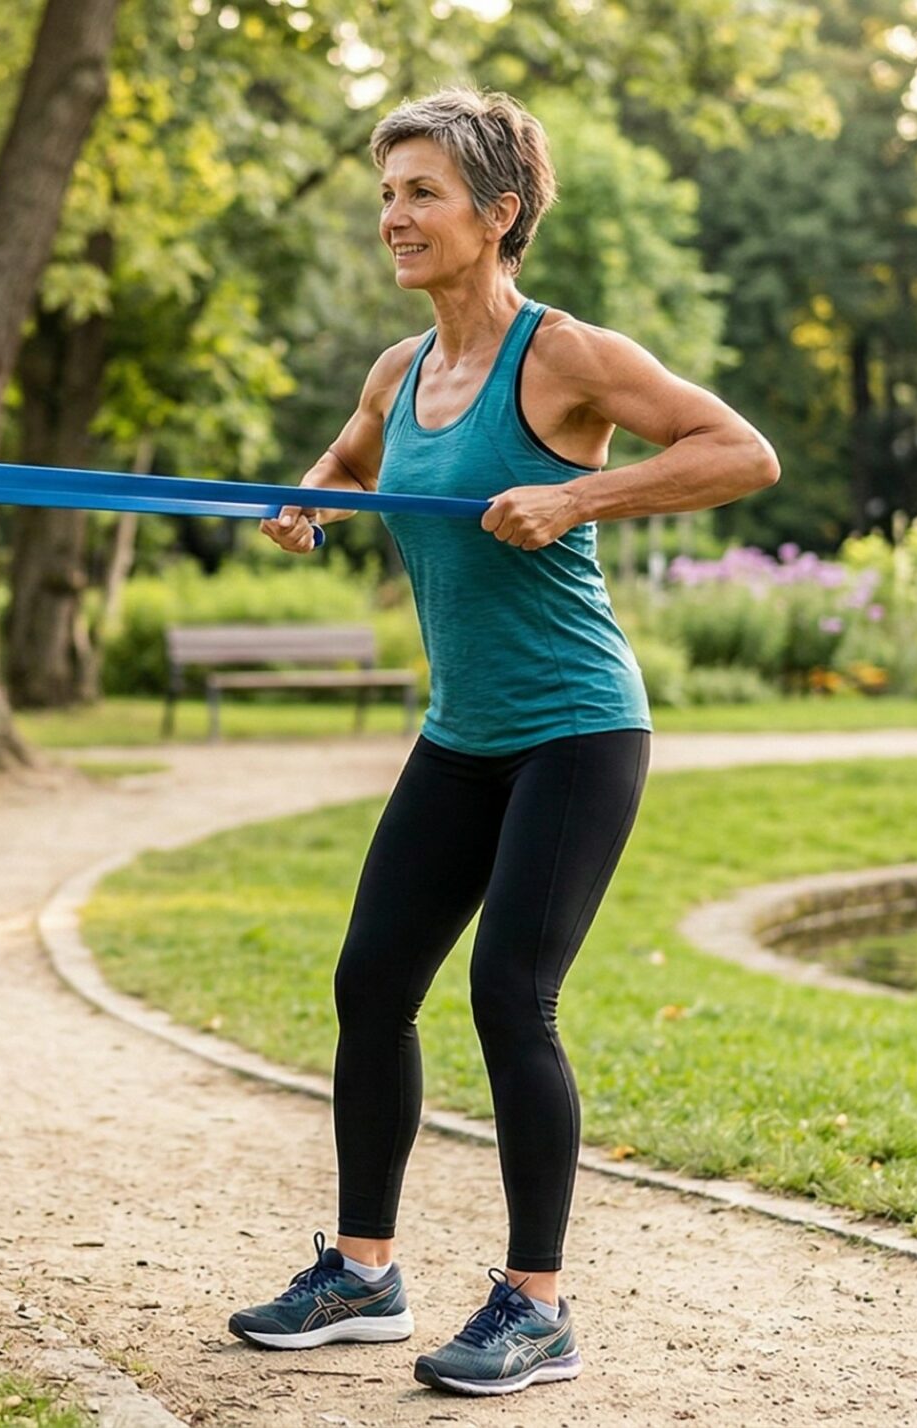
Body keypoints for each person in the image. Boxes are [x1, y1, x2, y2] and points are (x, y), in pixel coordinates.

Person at [224, 89, 778, 1398]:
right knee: (372, 984)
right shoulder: (398, 371)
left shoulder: (565, 357)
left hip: (578, 729)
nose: (394, 217)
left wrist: (581, 491)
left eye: (420, 192)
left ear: (499, 213)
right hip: (462, 734)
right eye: (386, 194)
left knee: (506, 997)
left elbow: (742, 453)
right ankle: (363, 1271)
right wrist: (313, 506)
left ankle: (538, 1306)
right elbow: (351, 462)